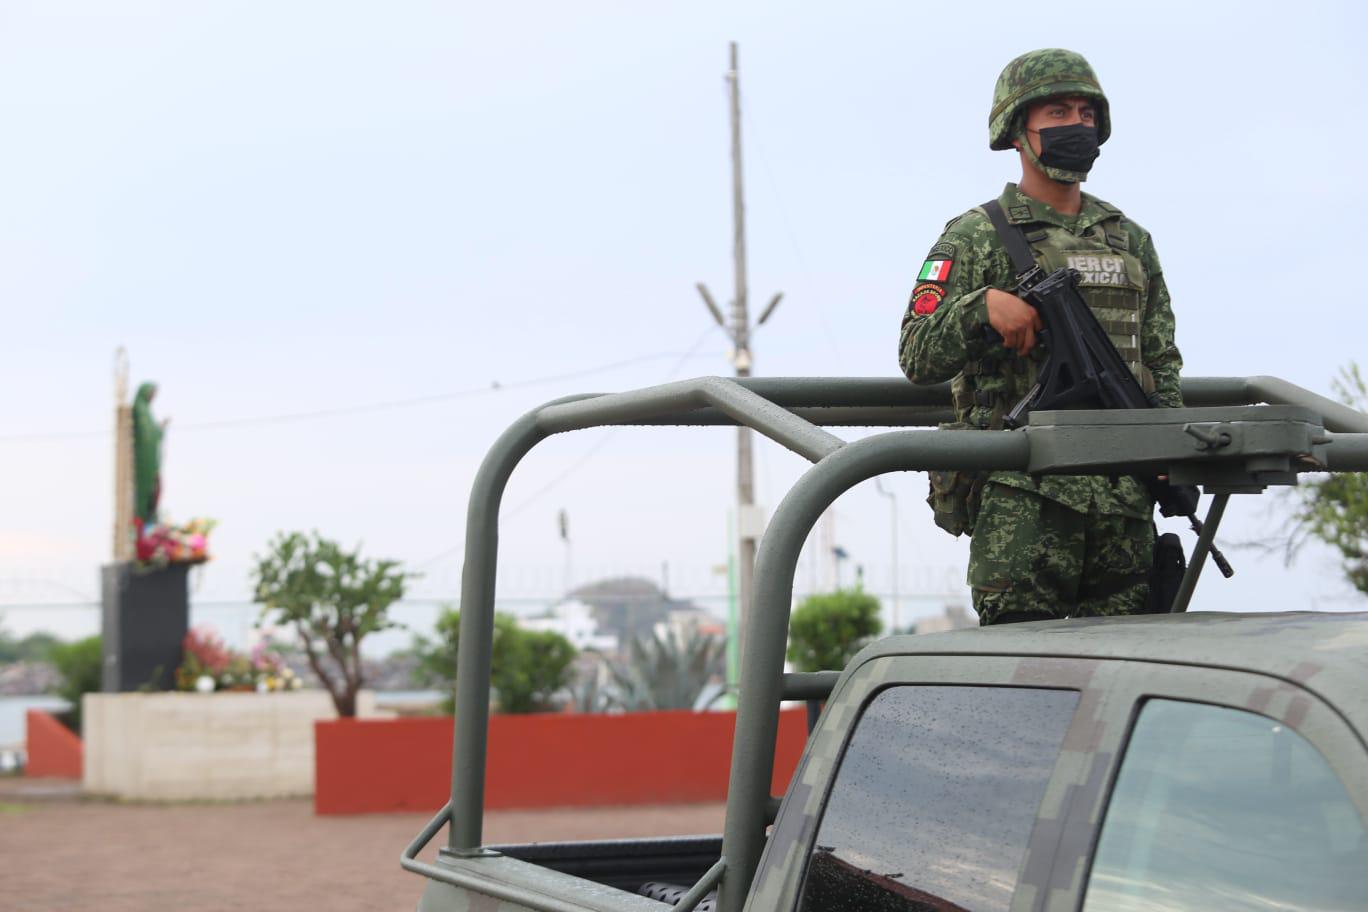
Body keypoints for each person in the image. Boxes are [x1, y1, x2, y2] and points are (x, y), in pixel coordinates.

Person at [897, 48, 1182, 625]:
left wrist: (1169, 459)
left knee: (1125, 673)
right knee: (1019, 684)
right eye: (1057, 113)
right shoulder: (977, 236)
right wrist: (983, 307)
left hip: (1123, 501)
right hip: (1025, 503)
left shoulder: (1129, 241)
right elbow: (916, 352)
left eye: (1085, 113)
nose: (1076, 126)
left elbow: (1161, 362)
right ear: (1016, 130)